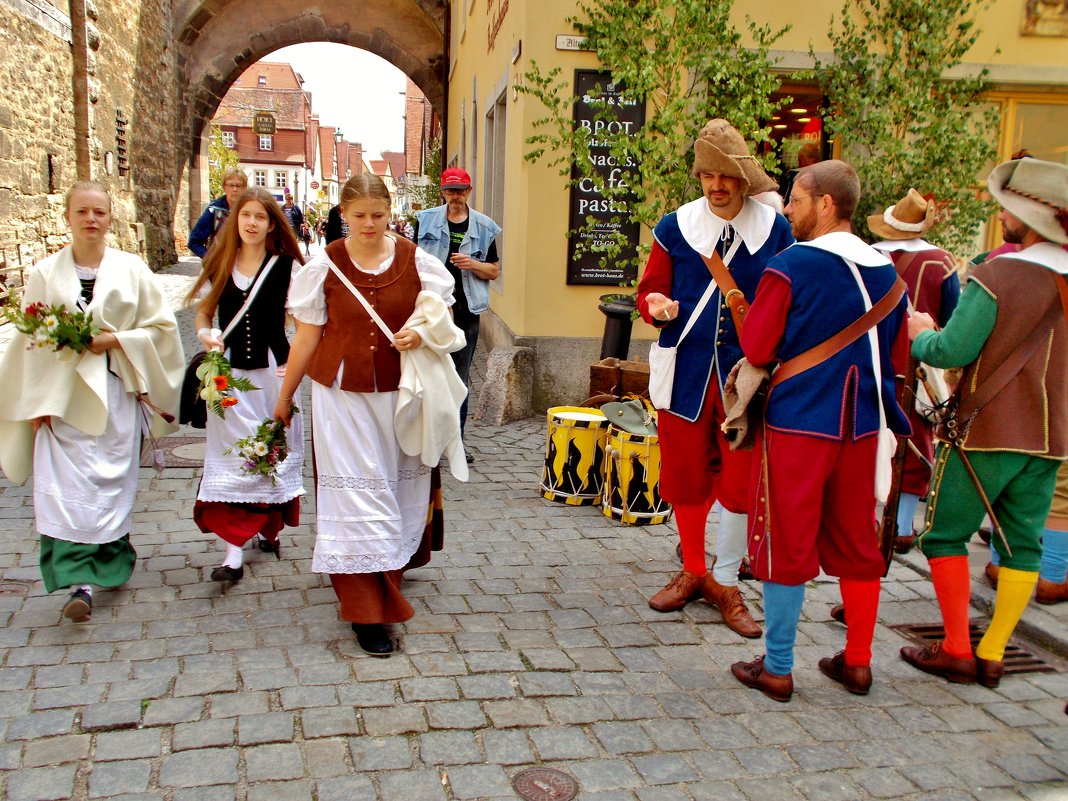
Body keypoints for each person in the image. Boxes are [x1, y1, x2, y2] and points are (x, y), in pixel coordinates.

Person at [731, 160, 911, 701]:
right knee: (858, 543)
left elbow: (758, 348)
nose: (787, 208)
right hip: (863, 428)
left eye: (796, 199)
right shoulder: (888, 274)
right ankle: (857, 662)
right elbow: (897, 359)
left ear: (825, 205)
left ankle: (779, 667)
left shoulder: (792, 266)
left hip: (799, 424)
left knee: (786, 540)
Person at [274, 173, 462, 657]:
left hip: (400, 396)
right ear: (342, 214)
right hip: (342, 397)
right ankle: (366, 608)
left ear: (388, 213)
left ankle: (387, 569)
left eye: (378, 215)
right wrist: (284, 399)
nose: (369, 225)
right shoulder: (324, 265)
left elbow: (438, 317)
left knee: (398, 488)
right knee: (358, 495)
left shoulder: (417, 261)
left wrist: (418, 335)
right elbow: (308, 337)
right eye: (359, 216)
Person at [902, 157, 1068, 688]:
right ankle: (993, 650)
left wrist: (920, 333)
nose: (1002, 216)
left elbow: (952, 349)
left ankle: (956, 648)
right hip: (1050, 440)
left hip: (986, 432)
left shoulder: (998, 275)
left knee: (944, 537)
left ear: (1028, 217)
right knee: (1023, 546)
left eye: (1009, 209)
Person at [636, 118, 794, 639]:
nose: (716, 186)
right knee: (684, 475)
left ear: (745, 181)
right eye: (707, 176)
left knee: (740, 480)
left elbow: (787, 303)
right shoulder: (674, 226)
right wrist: (656, 305)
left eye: (726, 177)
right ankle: (695, 571)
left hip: (743, 380)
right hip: (684, 373)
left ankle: (726, 582)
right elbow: (648, 293)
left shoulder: (775, 233)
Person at [0, 181, 184, 620]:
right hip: (63, 399)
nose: (91, 219)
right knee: (64, 489)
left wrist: (114, 339)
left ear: (109, 218)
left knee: (110, 483)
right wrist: (33, 403)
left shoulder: (132, 269)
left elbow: (161, 330)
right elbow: (31, 339)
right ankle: (77, 582)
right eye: (82, 211)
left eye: (99, 212)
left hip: (115, 394)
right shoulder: (46, 273)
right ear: (68, 217)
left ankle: (110, 563)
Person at [184, 187, 306, 582]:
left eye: (260, 216)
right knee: (235, 454)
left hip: (274, 373)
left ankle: (267, 526)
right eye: (245, 215)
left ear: (272, 224)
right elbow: (203, 315)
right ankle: (233, 550)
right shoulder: (222, 263)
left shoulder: (288, 268)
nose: (252, 223)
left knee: (268, 449)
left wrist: (296, 371)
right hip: (228, 374)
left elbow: (304, 326)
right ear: (235, 220)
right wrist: (206, 335)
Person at [869, 189, 961, 553]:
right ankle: (903, 525)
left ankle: (870, 518)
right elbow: (952, 319)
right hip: (918, 363)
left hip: (870, 358)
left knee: (868, 435)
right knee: (914, 440)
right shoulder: (941, 263)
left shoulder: (868, 256)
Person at [414, 168, 501, 463]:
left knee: (459, 381)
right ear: (443, 191)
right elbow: (411, 262)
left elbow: (494, 271)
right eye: (451, 191)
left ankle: (456, 444)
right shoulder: (425, 221)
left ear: (469, 190)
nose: (456, 196)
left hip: (466, 314)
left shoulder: (485, 228)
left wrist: (472, 264)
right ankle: (428, 441)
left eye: (461, 190)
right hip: (431, 313)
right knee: (428, 378)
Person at [188, 169, 247, 258]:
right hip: (219, 266)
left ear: (244, 188)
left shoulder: (250, 211)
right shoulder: (214, 210)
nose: (235, 189)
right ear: (224, 187)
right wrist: (210, 259)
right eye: (231, 185)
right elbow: (194, 242)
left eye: (238, 186)